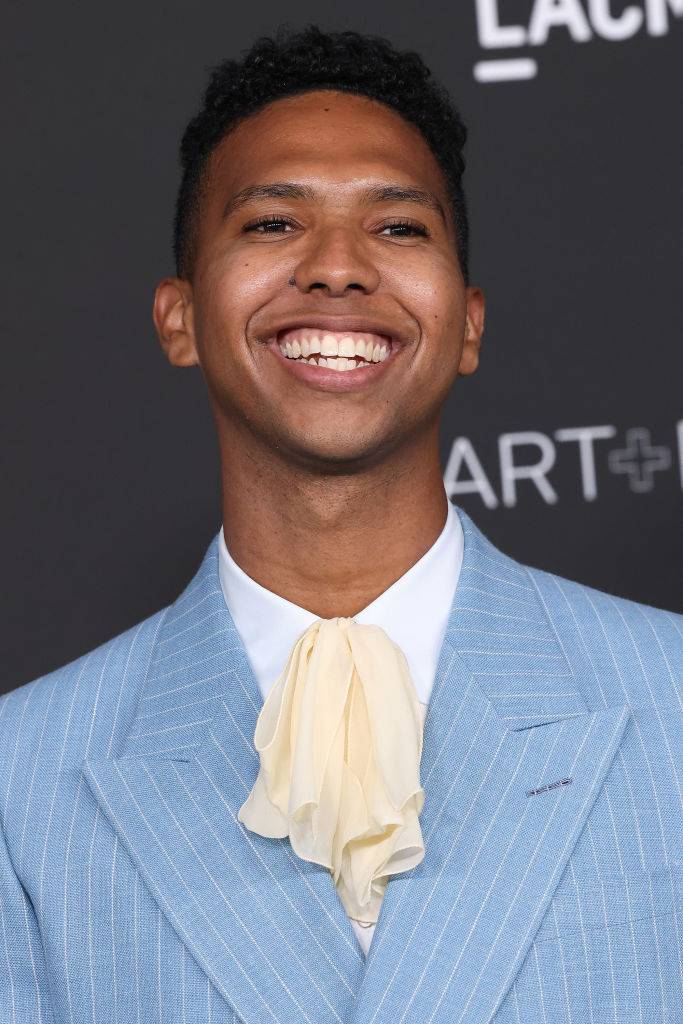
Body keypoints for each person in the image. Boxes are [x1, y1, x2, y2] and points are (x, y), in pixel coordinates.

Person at [1, 22, 681, 1024]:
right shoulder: (20, 779)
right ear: (178, 317)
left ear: (469, 323)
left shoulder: (669, 696)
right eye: (273, 224)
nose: (335, 267)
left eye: (397, 227)